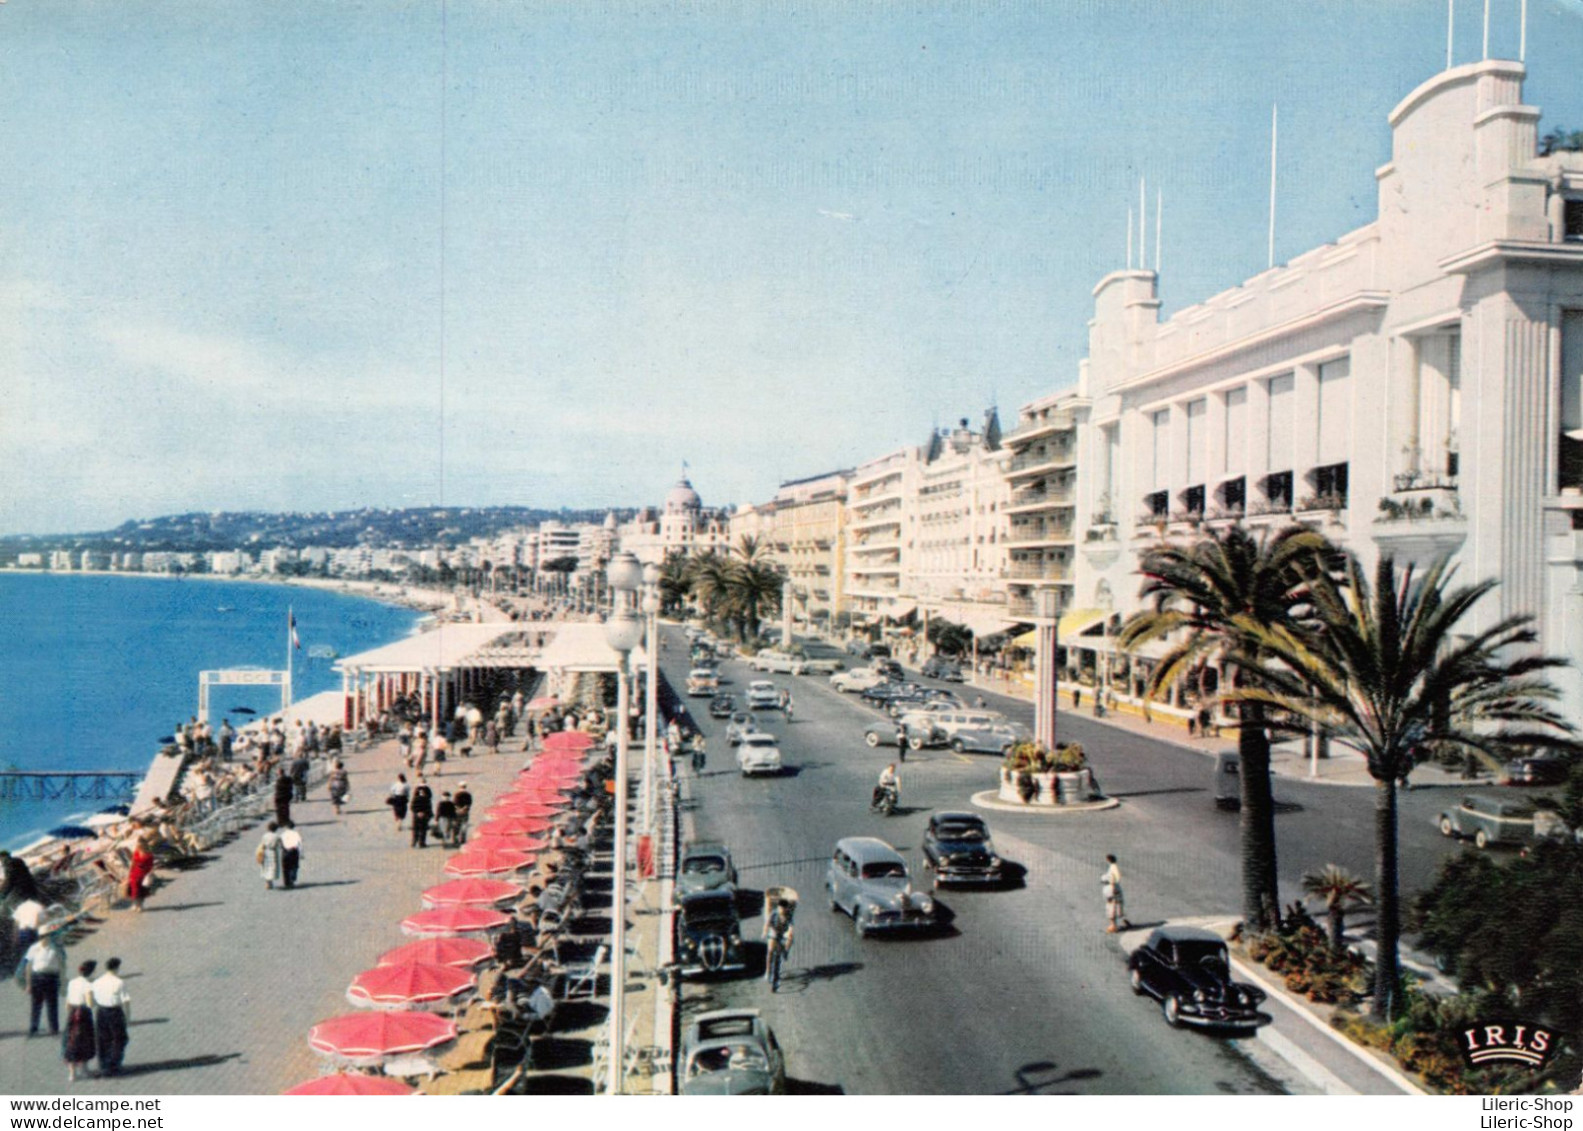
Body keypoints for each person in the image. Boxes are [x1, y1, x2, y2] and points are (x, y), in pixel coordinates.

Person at [21, 923, 66, 1037]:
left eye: (48, 935)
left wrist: (62, 981)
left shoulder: (55, 948)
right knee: (36, 1004)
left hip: (52, 977)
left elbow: (62, 965)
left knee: (52, 1004)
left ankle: (54, 1028)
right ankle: (34, 1028)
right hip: (37, 977)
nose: (46, 938)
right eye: (44, 936)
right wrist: (28, 984)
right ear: (40, 937)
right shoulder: (33, 948)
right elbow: (28, 966)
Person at [91, 958, 129, 1077]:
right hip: (115, 1011)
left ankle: (103, 1064)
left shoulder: (97, 981)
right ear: (116, 968)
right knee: (119, 1038)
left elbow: (93, 998)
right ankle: (114, 1064)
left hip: (101, 1011)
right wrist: (127, 1017)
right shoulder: (119, 982)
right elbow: (125, 1001)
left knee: (102, 1038)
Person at [63, 959, 97, 1083]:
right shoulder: (88, 984)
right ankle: (84, 1068)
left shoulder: (72, 982)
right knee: (85, 1041)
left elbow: (67, 1002)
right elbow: (89, 1003)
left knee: (71, 1041)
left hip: (72, 1013)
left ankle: (72, 1073)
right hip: (83, 1014)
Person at [763, 898, 794, 989]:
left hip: (783, 932)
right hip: (774, 932)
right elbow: (767, 924)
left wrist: (790, 932)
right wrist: (765, 932)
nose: (782, 910)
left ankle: (785, 951)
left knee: (790, 939)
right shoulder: (774, 914)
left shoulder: (789, 915)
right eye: (781, 908)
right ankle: (768, 971)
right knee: (770, 951)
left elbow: (791, 926)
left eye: (784, 908)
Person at [126, 835, 155, 912]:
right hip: (135, 872)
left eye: (140, 846)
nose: (138, 848)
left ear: (144, 846)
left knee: (142, 890)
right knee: (134, 889)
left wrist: (149, 874)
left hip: (144, 873)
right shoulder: (136, 852)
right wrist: (129, 872)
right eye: (138, 846)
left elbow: (150, 866)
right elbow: (133, 862)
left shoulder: (149, 855)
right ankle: (135, 904)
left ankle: (140, 905)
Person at [1102, 854, 1129, 933]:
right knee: (1114, 905)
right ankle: (1120, 922)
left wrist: (1113, 885)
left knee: (1112, 906)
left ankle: (1114, 926)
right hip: (1112, 887)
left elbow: (1116, 877)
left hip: (1113, 889)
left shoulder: (1113, 867)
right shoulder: (1113, 866)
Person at [256, 822, 283, 890]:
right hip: (273, 852)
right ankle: (270, 881)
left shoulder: (265, 835)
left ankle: (268, 883)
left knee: (266, 866)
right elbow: (280, 845)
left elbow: (263, 844)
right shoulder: (277, 836)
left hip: (266, 852)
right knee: (272, 867)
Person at [278, 821, 304, 889]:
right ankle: (292, 879)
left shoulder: (283, 834)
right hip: (294, 851)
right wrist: (301, 853)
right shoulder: (296, 834)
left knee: (285, 867)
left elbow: (280, 843)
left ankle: (286, 882)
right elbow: (300, 844)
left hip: (285, 851)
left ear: (286, 827)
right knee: (294, 866)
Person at [410, 777, 434, 848]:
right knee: (423, 829)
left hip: (416, 816)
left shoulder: (415, 798)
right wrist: (426, 813)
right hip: (424, 816)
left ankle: (414, 842)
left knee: (415, 829)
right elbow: (428, 807)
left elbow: (412, 807)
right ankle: (421, 843)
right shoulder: (427, 799)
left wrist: (417, 813)